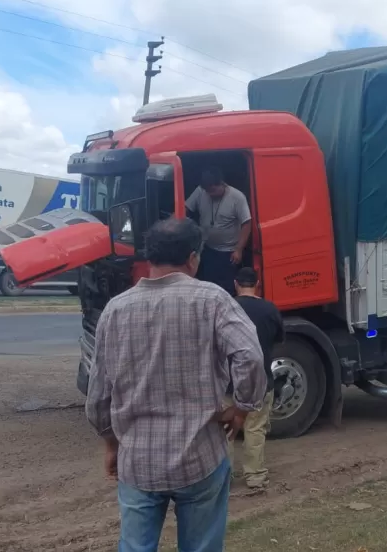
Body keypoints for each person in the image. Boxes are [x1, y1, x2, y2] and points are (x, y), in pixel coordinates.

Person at [85, 218, 266, 552]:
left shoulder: (115, 309)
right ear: (193, 258)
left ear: (149, 258)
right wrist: (242, 407)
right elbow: (250, 357)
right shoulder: (214, 300)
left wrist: (111, 443)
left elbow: (98, 394)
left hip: (138, 461)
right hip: (200, 456)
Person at [226, 267, 285, 489]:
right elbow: (280, 337)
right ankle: (255, 476)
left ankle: (224, 477)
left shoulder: (226, 307)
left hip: (228, 383)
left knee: (226, 430)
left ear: (236, 284)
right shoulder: (269, 309)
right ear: (258, 284)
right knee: (255, 428)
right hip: (261, 379)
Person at [186, 167, 252, 295]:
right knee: (207, 284)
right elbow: (185, 208)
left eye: (212, 190)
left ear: (222, 184)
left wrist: (239, 249)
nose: (209, 194)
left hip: (228, 253)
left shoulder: (237, 197)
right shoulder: (201, 191)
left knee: (225, 289)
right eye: (207, 191)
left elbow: (246, 223)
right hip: (207, 249)